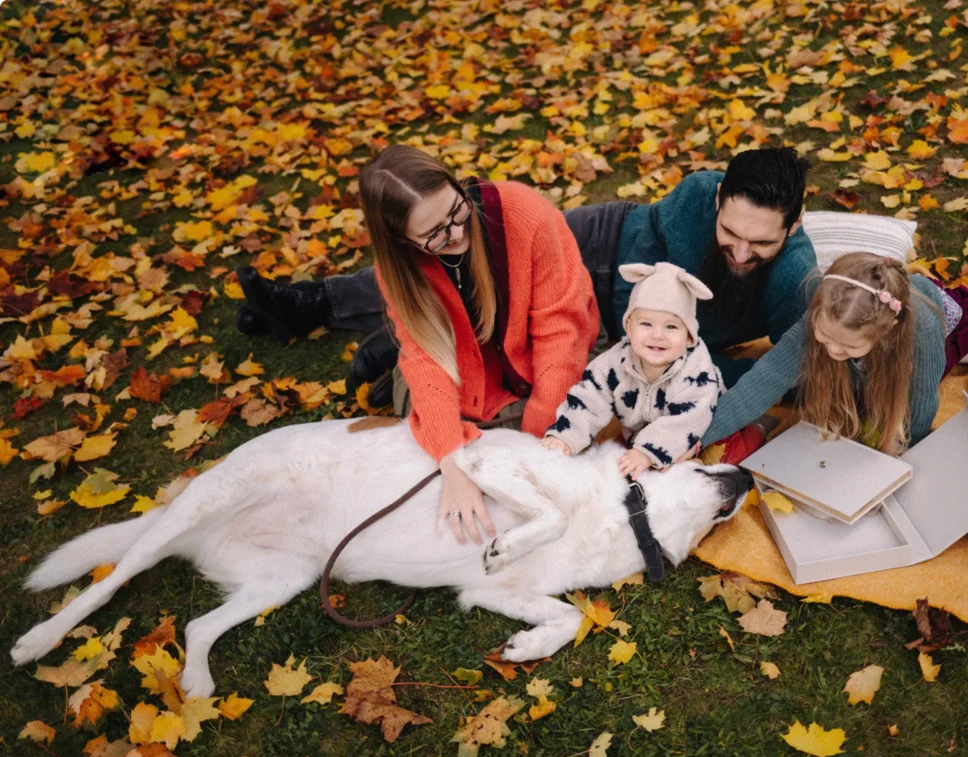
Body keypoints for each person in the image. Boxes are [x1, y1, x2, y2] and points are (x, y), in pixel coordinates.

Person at [234, 147, 817, 399]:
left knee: (488, 298)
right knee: (463, 252)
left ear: (792, 227)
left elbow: (797, 359)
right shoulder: (696, 193)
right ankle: (311, 303)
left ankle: (389, 341)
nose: (740, 252)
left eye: (759, 243)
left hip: (620, 317)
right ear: (718, 200)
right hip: (603, 241)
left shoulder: (793, 274)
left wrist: (712, 365)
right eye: (730, 234)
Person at [357, 144, 598, 545]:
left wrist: (539, 441)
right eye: (433, 235)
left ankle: (387, 361)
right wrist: (454, 464)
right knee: (437, 433)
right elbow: (426, 360)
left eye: (456, 212)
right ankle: (393, 360)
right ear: (401, 241)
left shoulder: (525, 214)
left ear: (457, 184)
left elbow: (561, 333)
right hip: (458, 362)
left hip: (540, 351)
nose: (456, 235)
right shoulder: (396, 270)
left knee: (571, 422)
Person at [703, 252, 968, 458]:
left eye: (846, 346)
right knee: (841, 378)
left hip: (948, 325)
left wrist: (902, 453)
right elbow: (764, 379)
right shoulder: (829, 315)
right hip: (876, 324)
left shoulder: (922, 329)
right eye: (824, 336)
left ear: (886, 331)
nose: (831, 350)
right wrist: (697, 439)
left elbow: (920, 401)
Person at [542, 262, 724, 478]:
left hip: (696, 430)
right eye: (646, 324)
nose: (658, 335)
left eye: (671, 327)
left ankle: (758, 429)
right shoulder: (615, 363)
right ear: (629, 327)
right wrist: (566, 435)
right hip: (639, 434)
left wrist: (648, 452)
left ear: (689, 337)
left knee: (721, 459)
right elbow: (589, 397)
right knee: (615, 465)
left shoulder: (697, 375)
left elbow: (688, 419)